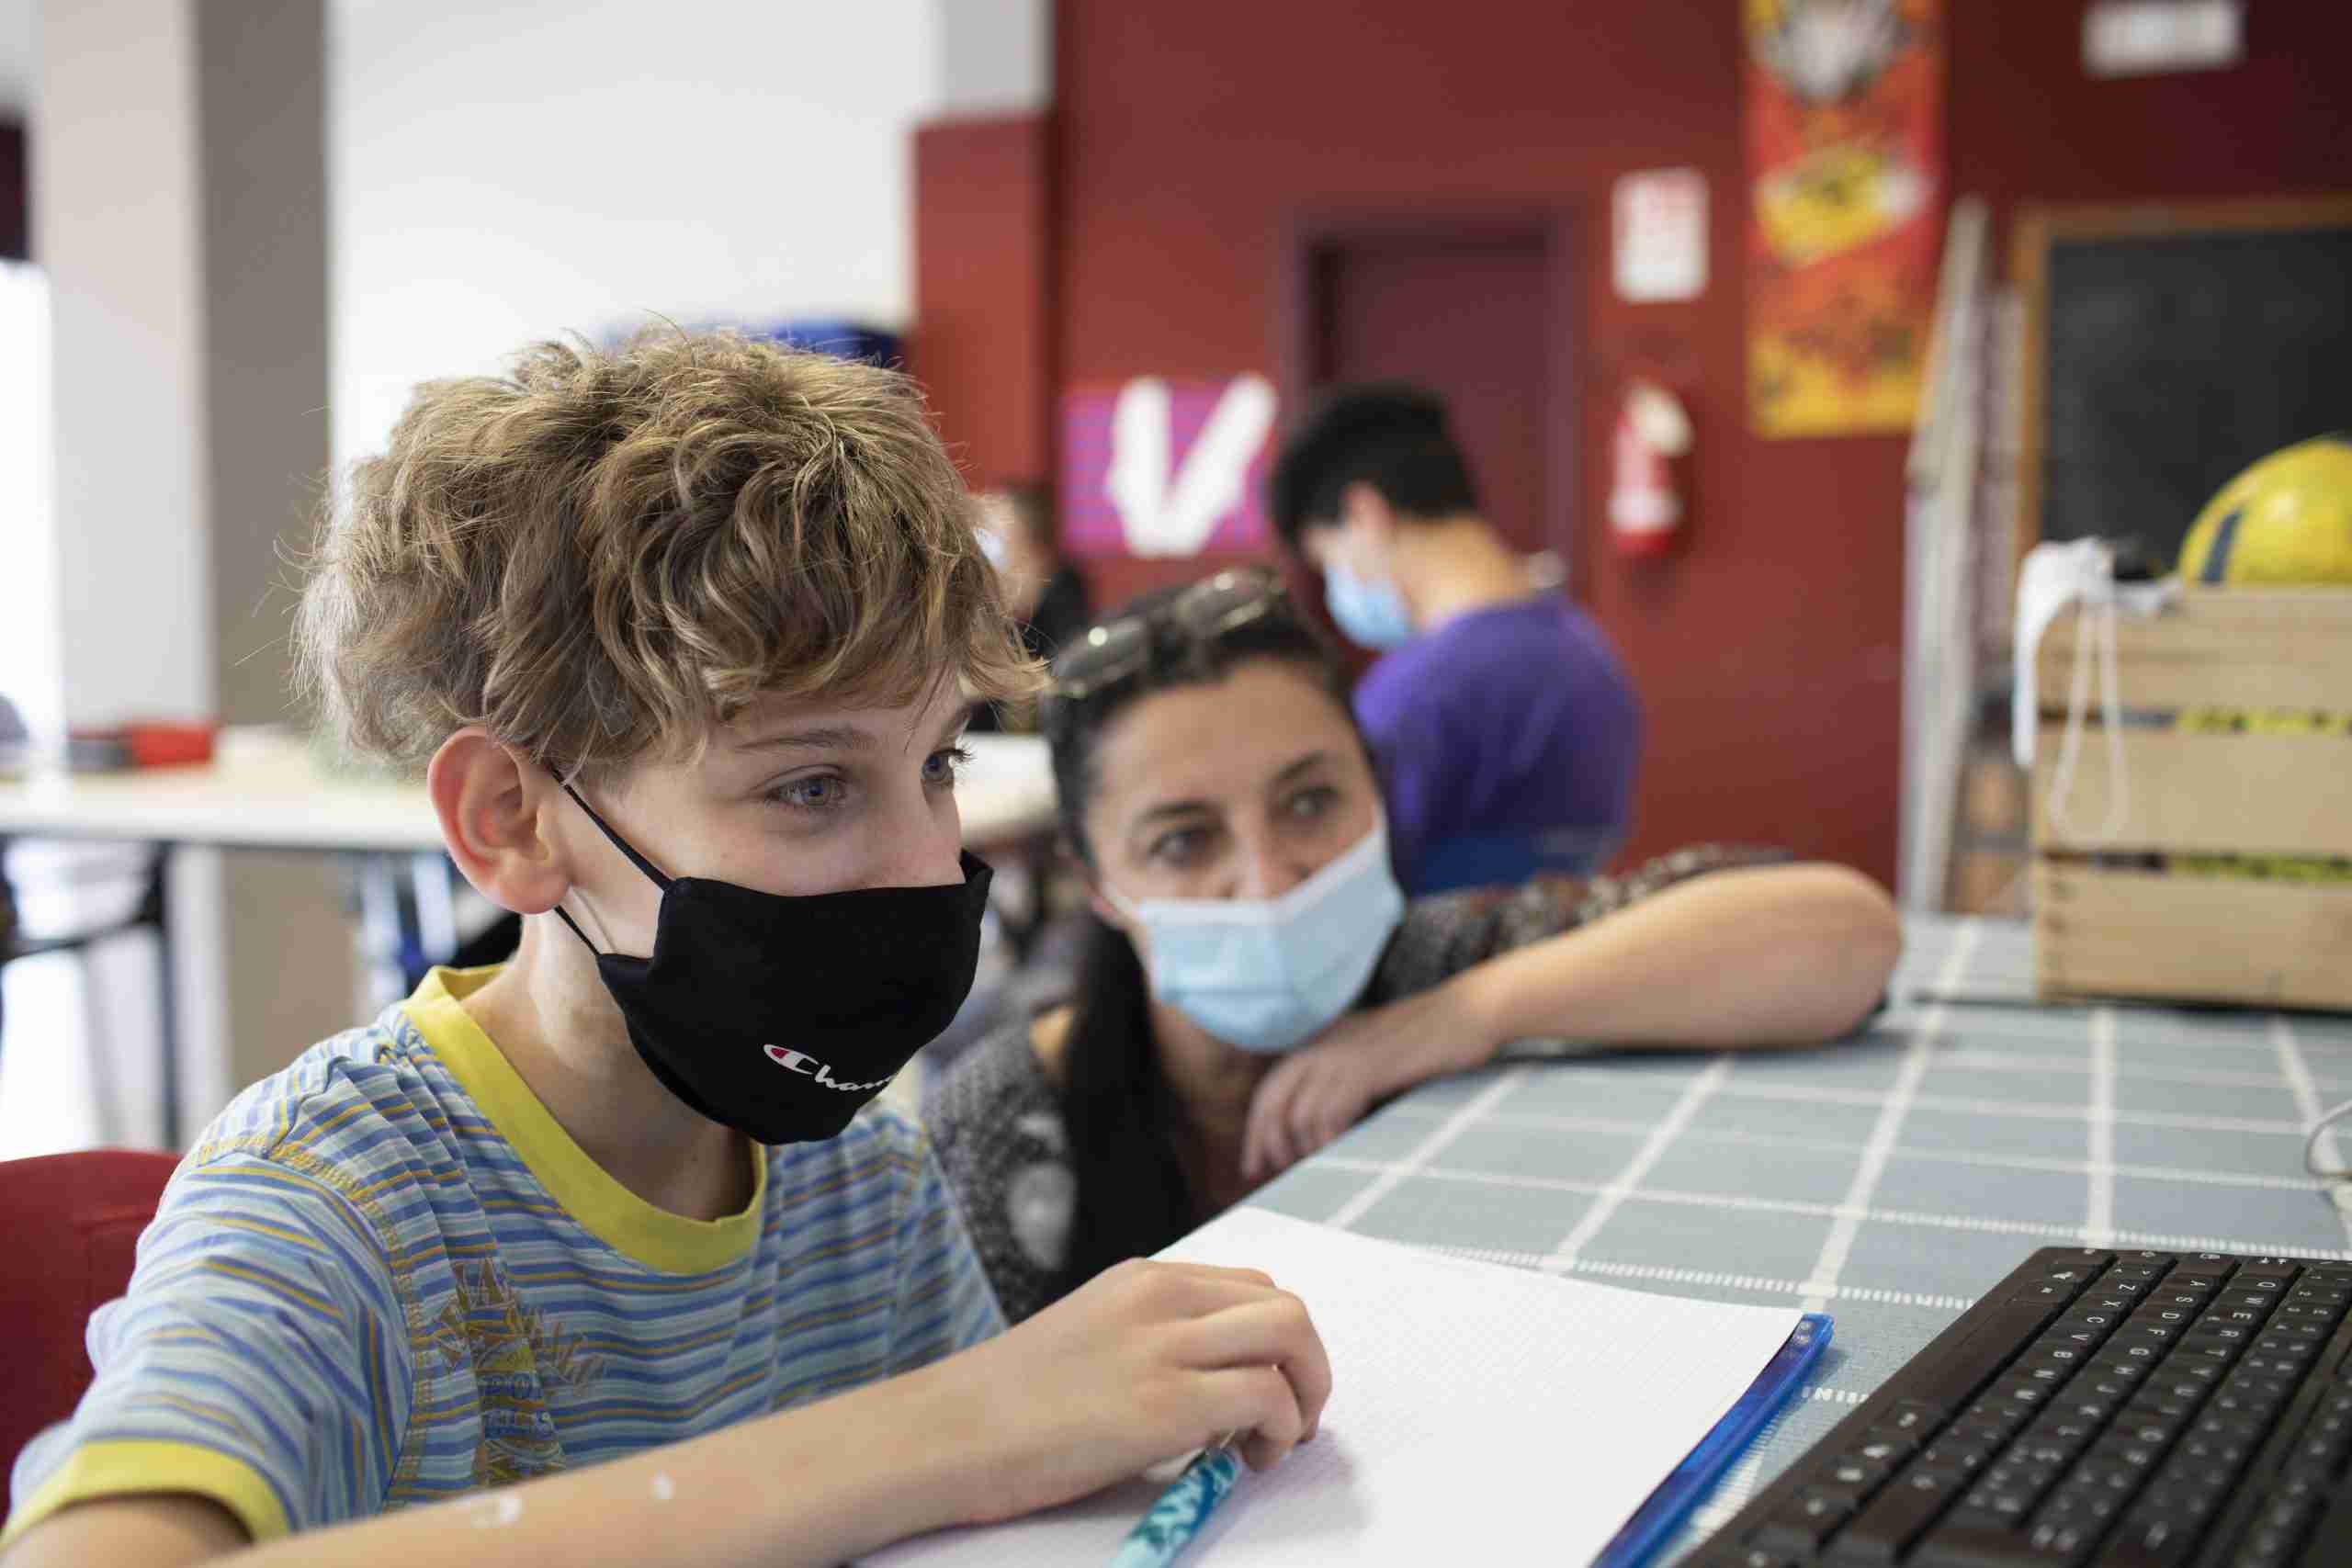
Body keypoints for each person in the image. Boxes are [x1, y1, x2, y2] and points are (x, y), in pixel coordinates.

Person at [1, 335, 1331, 1568]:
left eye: (937, 762)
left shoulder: (864, 1181)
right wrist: (942, 1429)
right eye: (810, 786)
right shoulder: (329, 1206)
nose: (931, 867)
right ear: (514, 820)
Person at [926, 569, 1901, 1325]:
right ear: (1098, 882)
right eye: (1183, 842)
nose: (1268, 878)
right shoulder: (1001, 1123)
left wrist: (1455, 1019)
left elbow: (1843, 938)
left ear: (1379, 796)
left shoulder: (1448, 964)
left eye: (1310, 801)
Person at [1267, 383, 1643, 895]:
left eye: (1329, 561)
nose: (1339, 586)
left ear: (1364, 514)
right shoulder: (1587, 652)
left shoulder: (1419, 692)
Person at [966, 483, 1090, 732]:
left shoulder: (1065, 603)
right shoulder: (985, 610)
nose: (984, 549)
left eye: (993, 538)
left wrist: (1003, 680)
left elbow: (1068, 681)